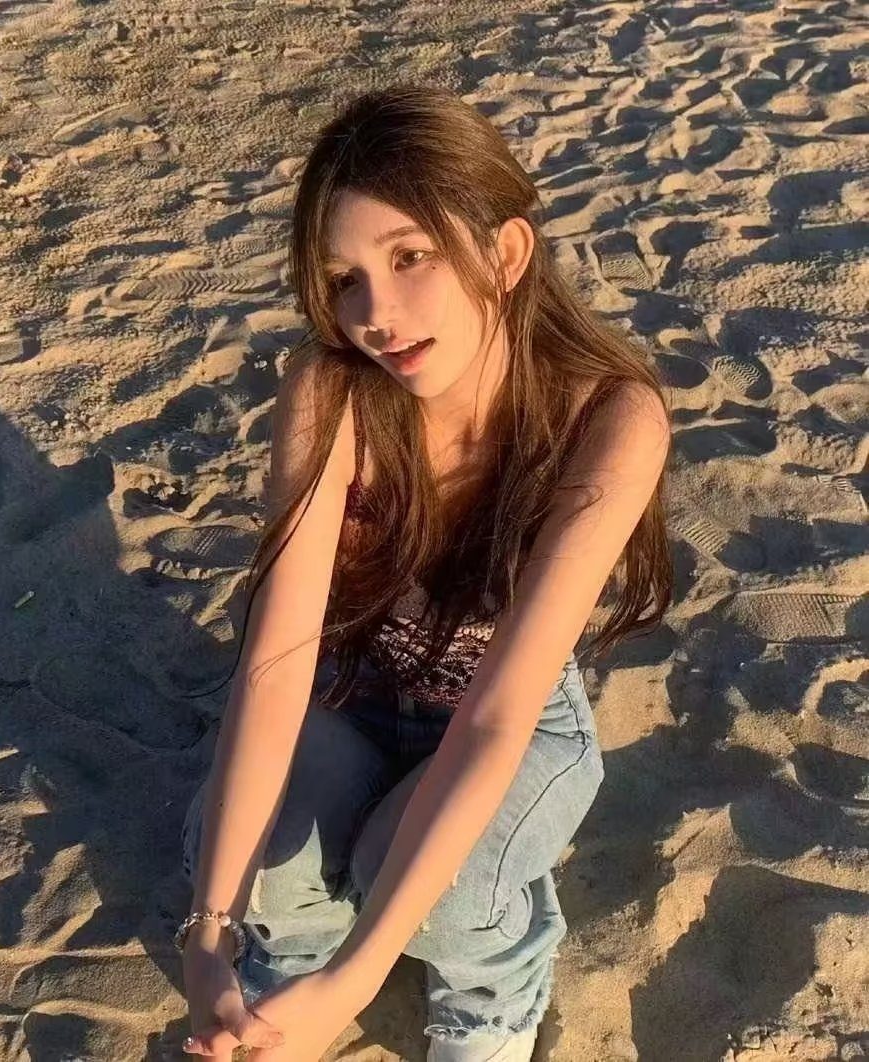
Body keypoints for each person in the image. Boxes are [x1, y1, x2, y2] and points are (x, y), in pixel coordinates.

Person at [175, 82, 673, 1061]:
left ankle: (495, 991)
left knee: (438, 892)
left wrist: (358, 980)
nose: (375, 314)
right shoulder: (331, 394)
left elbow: (494, 718)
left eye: (410, 257)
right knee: (261, 867)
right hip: (353, 689)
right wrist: (208, 937)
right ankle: (294, 961)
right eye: (344, 278)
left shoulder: (606, 419)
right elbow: (276, 664)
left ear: (505, 253)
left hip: (514, 718)